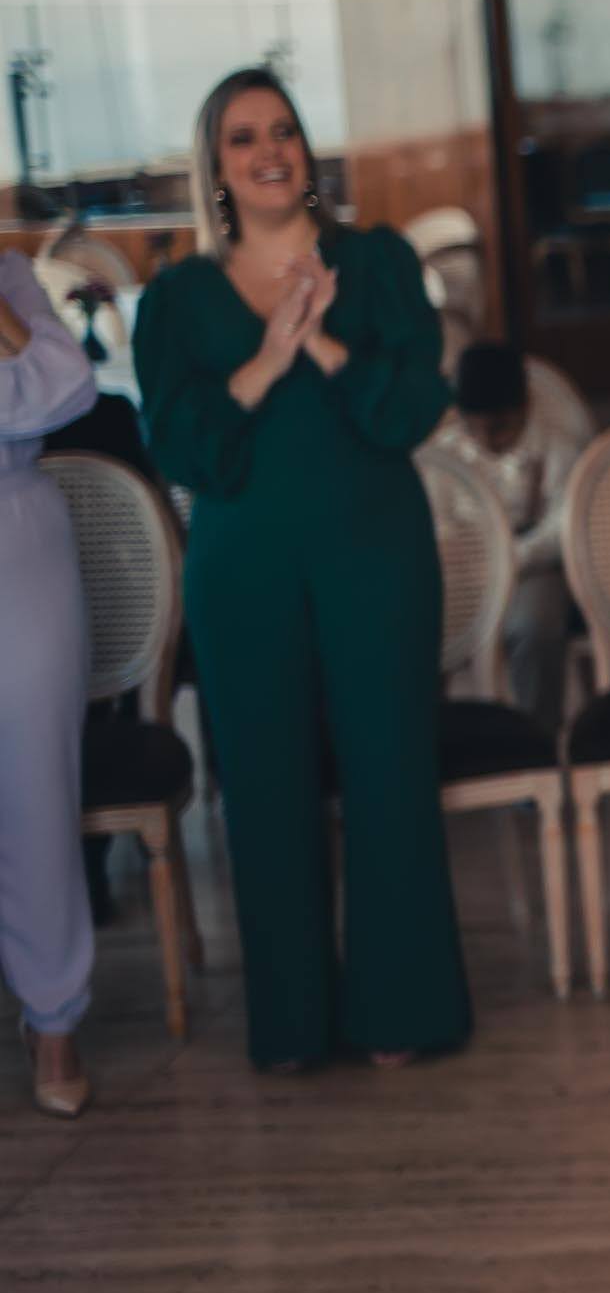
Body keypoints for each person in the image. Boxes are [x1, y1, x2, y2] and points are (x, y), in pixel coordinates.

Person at [134, 68, 469, 1071]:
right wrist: (267, 354)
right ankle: (293, 1023)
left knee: (391, 770)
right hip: (243, 568)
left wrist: (320, 339)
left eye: (282, 129)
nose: (270, 148)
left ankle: (400, 1011)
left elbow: (414, 406)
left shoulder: (375, 262)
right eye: (244, 137)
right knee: (266, 783)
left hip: (376, 551)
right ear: (219, 166)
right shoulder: (177, 296)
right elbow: (183, 446)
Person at [1, 248, 100, 1117]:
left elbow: (68, 387)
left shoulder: (13, 277)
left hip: (16, 540)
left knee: (36, 786)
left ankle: (54, 1015)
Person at [440, 342, 581, 734]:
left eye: (500, 427)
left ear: (523, 409)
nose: (488, 438)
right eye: (476, 426)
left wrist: (511, 557)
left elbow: (562, 528)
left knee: (534, 628)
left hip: (531, 565)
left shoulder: (559, 444)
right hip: (465, 571)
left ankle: (539, 735)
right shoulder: (447, 452)